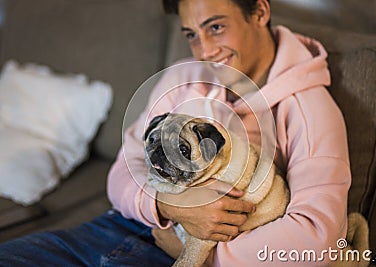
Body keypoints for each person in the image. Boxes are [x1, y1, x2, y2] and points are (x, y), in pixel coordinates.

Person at [0, 0, 351, 266]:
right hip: (123, 224)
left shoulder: (309, 109)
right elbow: (124, 168)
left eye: (215, 28)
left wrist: (202, 253)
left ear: (259, 12)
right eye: (192, 36)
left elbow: (318, 238)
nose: (205, 51)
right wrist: (167, 205)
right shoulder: (183, 76)